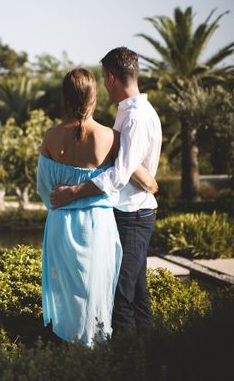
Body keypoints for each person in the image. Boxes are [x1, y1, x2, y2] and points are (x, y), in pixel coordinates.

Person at [37, 67, 157, 347]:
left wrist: (60, 204)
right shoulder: (110, 138)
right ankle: (97, 357)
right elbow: (140, 178)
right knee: (96, 297)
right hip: (97, 228)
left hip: (60, 228)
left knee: (65, 296)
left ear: (64, 98)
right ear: (94, 98)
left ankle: (67, 357)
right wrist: (151, 185)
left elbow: (44, 189)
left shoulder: (50, 137)